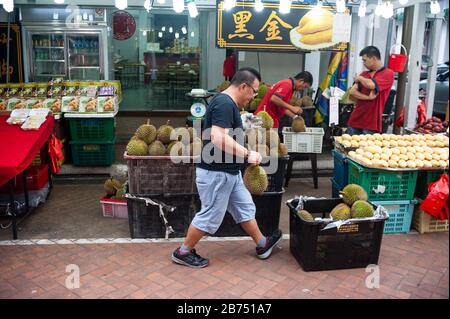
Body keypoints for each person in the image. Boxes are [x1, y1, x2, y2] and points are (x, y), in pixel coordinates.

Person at [172, 67, 283, 268]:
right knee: (210, 215)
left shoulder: (228, 104)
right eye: (254, 91)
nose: (254, 96)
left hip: (229, 172)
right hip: (216, 174)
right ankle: (183, 251)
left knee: (245, 208)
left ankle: (262, 244)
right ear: (243, 86)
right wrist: (248, 154)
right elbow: (218, 138)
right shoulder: (224, 103)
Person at [347, 46, 394, 135]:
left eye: (365, 60)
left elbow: (371, 85)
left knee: (367, 149)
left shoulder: (388, 73)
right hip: (355, 120)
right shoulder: (364, 74)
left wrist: (360, 78)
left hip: (371, 123)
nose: (363, 63)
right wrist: (367, 98)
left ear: (373, 58)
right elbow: (352, 92)